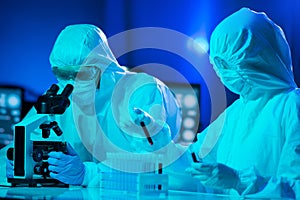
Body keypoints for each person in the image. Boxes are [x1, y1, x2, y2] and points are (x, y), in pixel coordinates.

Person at [5, 24, 183, 187]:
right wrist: (18, 163)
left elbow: (155, 168)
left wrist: (88, 175)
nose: (70, 83)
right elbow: (16, 148)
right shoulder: (59, 96)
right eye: (63, 74)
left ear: (102, 67)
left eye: (80, 74)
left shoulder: (141, 90)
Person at [185, 7, 300, 198]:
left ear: (258, 60)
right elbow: (195, 162)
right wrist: (158, 139)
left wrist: (241, 180)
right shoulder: (236, 112)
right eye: (218, 65)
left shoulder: (292, 107)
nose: (222, 74)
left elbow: (295, 188)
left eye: (227, 64)